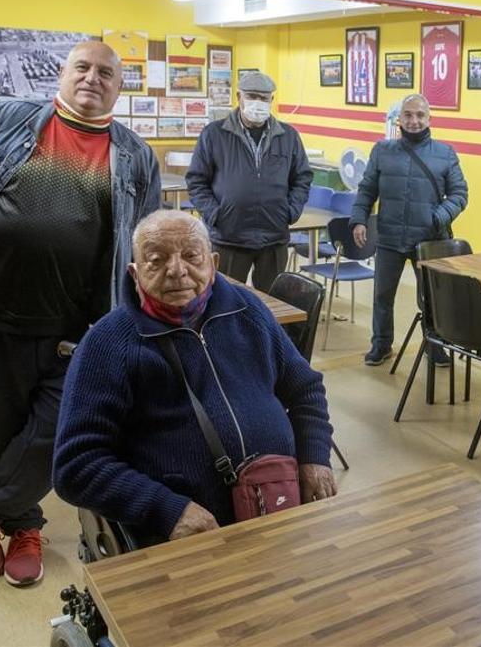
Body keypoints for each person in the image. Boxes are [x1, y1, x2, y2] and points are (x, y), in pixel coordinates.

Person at [0, 41, 161, 586]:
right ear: (62, 76)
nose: (93, 78)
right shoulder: (7, 118)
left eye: (106, 73)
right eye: (82, 68)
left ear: (120, 86)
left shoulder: (135, 155)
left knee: (59, 432)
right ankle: (23, 525)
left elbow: (144, 238)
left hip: (79, 327)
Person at [53, 211, 335, 545]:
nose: (176, 270)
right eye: (157, 260)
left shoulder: (248, 311)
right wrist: (167, 510)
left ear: (212, 263)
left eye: (191, 256)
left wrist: (315, 456)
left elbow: (305, 389)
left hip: (276, 506)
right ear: (134, 271)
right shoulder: (108, 343)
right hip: (185, 538)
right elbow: (75, 465)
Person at [349, 93, 468, 366]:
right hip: (390, 237)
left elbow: (460, 194)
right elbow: (367, 189)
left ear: (429, 118)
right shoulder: (382, 151)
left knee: (430, 298)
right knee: (382, 295)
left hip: (429, 240)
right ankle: (381, 345)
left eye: (420, 115)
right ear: (399, 118)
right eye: (408, 115)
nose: (414, 121)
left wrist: (439, 217)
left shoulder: (445, 153)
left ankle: (434, 345)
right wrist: (358, 219)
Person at [186, 71, 312, 291]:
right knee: (223, 302)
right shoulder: (214, 134)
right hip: (229, 239)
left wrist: (290, 211)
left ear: (272, 100)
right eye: (252, 96)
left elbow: (302, 177)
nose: (258, 102)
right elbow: (197, 181)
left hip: (274, 238)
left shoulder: (288, 136)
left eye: (264, 98)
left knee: (273, 306)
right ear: (239, 97)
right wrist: (216, 214)